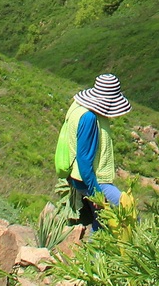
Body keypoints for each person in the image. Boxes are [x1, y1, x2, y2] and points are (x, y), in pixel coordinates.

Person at [54, 73, 130, 229]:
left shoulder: (77, 108)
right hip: (91, 180)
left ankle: (94, 251)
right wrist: (97, 194)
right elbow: (84, 159)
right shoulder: (89, 118)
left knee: (100, 223)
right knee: (127, 212)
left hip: (79, 178)